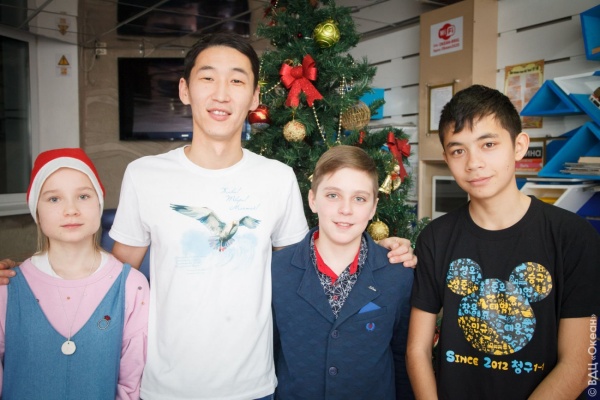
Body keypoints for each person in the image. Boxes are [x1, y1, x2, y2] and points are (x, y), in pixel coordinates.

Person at [0, 33, 413, 400]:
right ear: (184, 89)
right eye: (207, 78)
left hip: (253, 386)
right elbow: (111, 278)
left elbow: (304, 270)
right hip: (164, 386)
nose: (221, 94)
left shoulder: (277, 178)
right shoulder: (145, 175)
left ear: (255, 97)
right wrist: (29, 279)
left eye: (237, 80)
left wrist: (380, 252)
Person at [406, 84, 600, 399]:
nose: (473, 163)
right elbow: (417, 349)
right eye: (458, 150)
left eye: (488, 144)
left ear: (519, 146)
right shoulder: (435, 237)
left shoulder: (573, 237)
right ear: (447, 158)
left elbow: (579, 365)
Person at [0, 148, 149, 399]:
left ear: (99, 204)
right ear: (37, 212)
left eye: (83, 196)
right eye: (54, 199)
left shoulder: (132, 286)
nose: (71, 209)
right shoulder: (7, 287)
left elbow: (131, 382)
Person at [271, 145, 414, 399]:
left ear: (373, 207)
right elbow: (267, 356)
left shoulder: (398, 274)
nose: (345, 209)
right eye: (333, 195)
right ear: (312, 200)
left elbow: (403, 358)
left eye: (359, 198)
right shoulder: (277, 270)